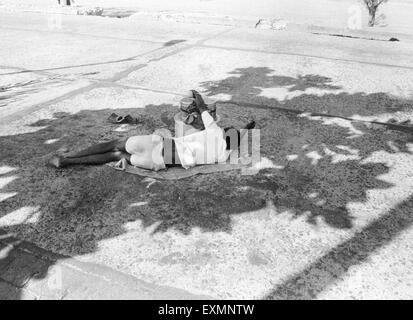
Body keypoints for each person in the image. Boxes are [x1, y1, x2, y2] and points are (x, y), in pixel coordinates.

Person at [48, 91, 254, 170]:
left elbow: (202, 108)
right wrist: (246, 130)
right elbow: (237, 139)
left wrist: (196, 94)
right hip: (157, 163)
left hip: (158, 145)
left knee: (113, 144)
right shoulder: (223, 154)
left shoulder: (215, 131)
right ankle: (68, 162)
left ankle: (67, 158)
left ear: (225, 131)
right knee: (117, 155)